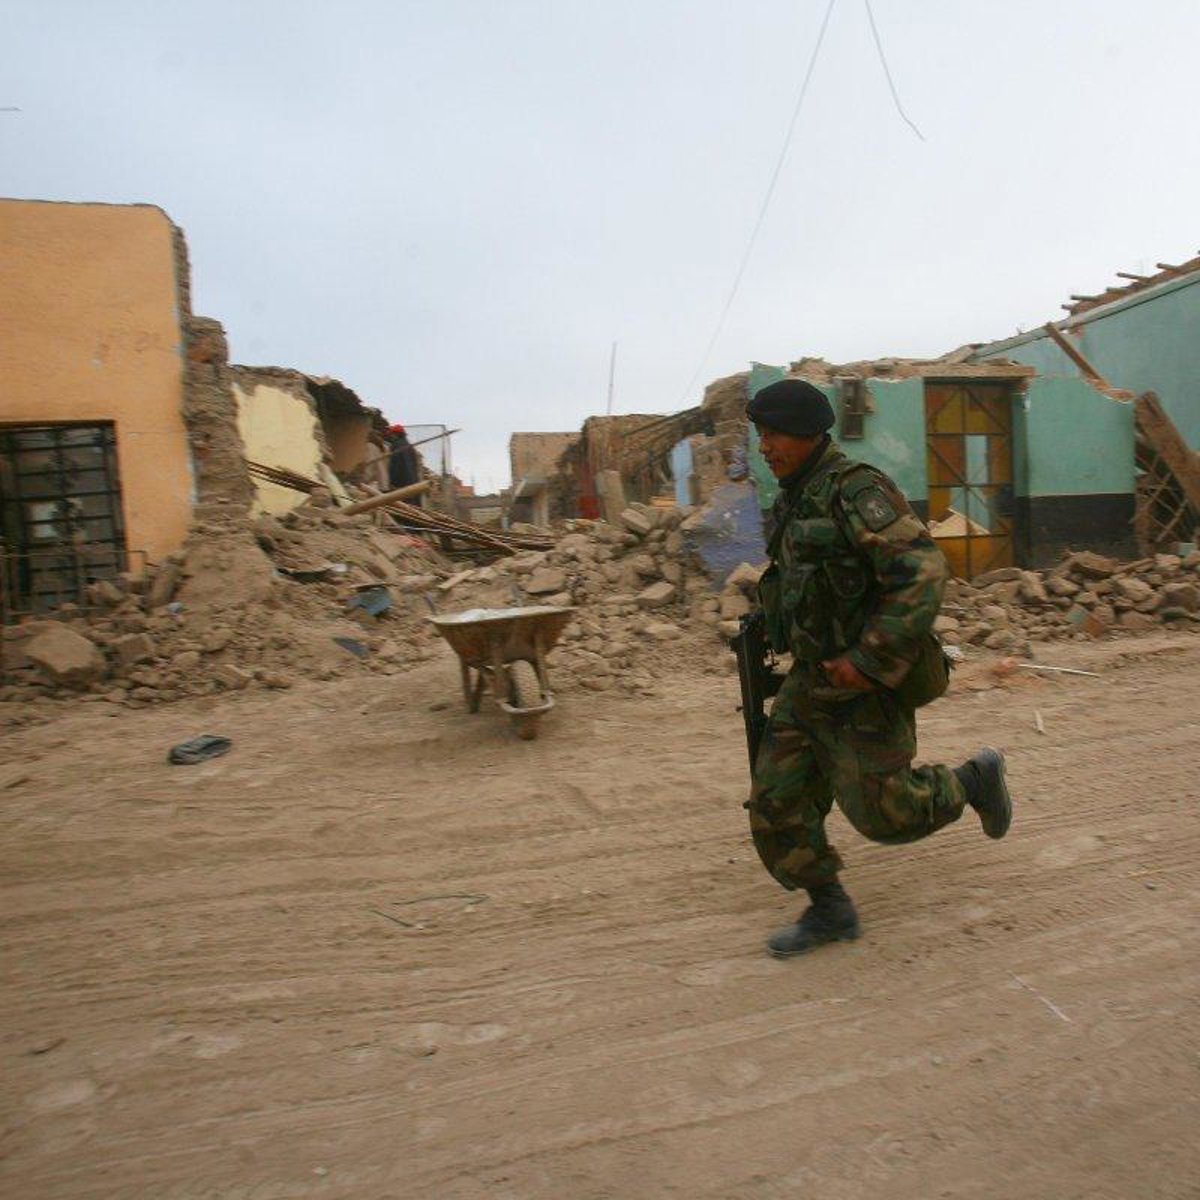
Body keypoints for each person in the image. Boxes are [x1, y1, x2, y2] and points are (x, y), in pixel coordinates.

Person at [744, 377, 1013, 959]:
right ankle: (829, 909)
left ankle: (974, 780)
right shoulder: (796, 496)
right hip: (811, 679)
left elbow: (922, 572)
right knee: (776, 802)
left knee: (887, 815)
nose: (765, 447)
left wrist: (869, 661)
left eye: (773, 434)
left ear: (808, 432)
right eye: (761, 434)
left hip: (862, 681)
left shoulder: (855, 489)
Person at [385, 424, 421, 492]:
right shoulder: (410, 446)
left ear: (396, 434)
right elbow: (415, 465)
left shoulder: (396, 445)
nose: (390, 436)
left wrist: (392, 481)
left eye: (391, 434)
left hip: (401, 482)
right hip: (412, 481)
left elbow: (395, 465)